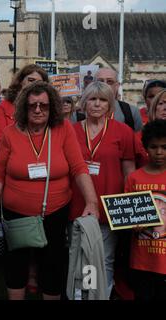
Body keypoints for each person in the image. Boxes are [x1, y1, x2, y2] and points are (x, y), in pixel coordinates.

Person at [0, 81, 99, 300]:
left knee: (52, 264)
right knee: (16, 263)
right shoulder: (10, 133)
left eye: (43, 105)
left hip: (55, 211)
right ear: (24, 107)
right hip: (16, 213)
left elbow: (79, 167)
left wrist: (91, 202)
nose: (37, 110)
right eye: (32, 105)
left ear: (52, 107)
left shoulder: (63, 130)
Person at [69, 81, 136, 299]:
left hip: (110, 205)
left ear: (110, 104)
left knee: (104, 258)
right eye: (92, 99)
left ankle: (100, 296)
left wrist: (129, 207)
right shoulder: (71, 131)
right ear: (84, 102)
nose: (97, 104)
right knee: (79, 255)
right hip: (77, 203)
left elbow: (129, 172)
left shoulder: (123, 131)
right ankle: (80, 295)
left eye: (103, 99)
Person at [124, 119, 166, 300]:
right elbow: (124, 217)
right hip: (141, 260)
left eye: (165, 147)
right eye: (153, 147)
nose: (159, 152)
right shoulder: (134, 178)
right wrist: (132, 225)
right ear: (145, 148)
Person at [0, 64, 49, 147]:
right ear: (20, 81)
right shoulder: (5, 105)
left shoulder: (49, 107)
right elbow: (0, 138)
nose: (35, 84)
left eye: (39, 82)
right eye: (31, 80)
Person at [95, 68, 143, 132]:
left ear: (117, 86)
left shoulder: (132, 112)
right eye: (100, 81)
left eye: (109, 81)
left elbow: (138, 139)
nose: (105, 85)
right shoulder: (80, 114)